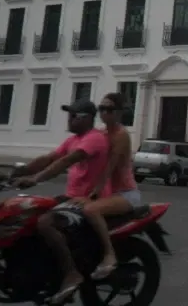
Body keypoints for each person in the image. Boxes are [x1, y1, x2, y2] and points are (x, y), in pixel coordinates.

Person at [12, 99, 110, 305]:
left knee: (45, 223)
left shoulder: (94, 138)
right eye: (69, 115)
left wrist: (35, 179)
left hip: (86, 200)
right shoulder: (73, 139)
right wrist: (19, 171)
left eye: (73, 116)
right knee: (25, 214)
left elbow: (65, 161)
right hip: (69, 198)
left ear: (87, 119)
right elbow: (50, 158)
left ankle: (71, 273)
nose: (69, 120)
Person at [76, 92, 140, 280]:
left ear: (119, 113)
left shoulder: (121, 135)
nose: (104, 113)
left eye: (109, 109)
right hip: (109, 193)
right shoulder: (101, 134)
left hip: (126, 194)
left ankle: (109, 254)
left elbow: (109, 167)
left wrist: (94, 192)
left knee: (90, 210)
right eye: (101, 109)